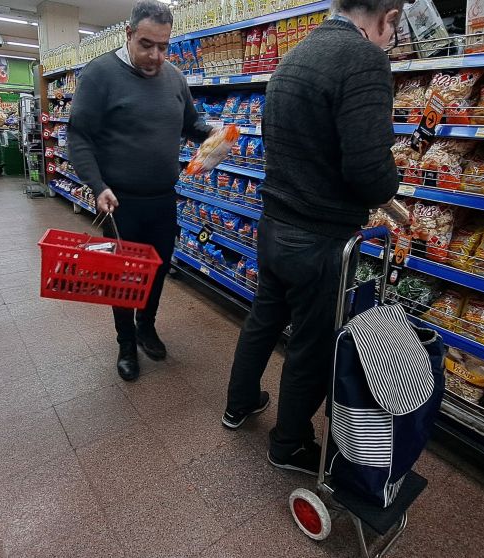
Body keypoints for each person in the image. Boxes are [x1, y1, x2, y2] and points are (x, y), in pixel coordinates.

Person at [222, 0, 403, 475]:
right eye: (393, 28)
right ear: (389, 15)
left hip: (274, 223)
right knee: (311, 344)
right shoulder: (364, 58)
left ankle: (238, 403)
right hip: (319, 236)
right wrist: (390, 187)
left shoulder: (294, 56)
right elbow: (367, 168)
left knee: (264, 317)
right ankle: (290, 443)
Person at [68, 0, 215, 381]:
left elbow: (190, 122)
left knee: (158, 269)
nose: (155, 55)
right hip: (120, 203)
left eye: (164, 46)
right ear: (129, 34)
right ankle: (125, 342)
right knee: (122, 276)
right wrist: (97, 186)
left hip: (163, 198)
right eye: (147, 44)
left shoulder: (174, 77)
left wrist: (213, 133)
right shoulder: (99, 74)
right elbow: (80, 136)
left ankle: (146, 325)